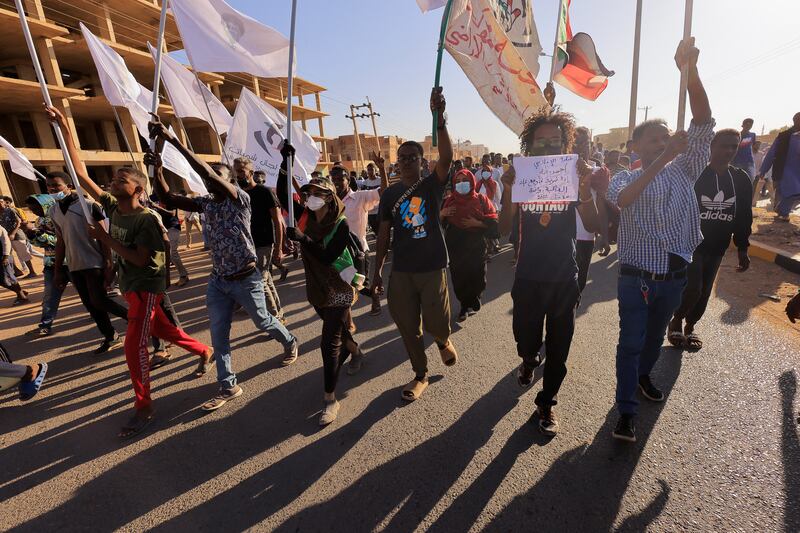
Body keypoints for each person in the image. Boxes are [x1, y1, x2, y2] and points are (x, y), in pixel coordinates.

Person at [47, 105, 213, 438]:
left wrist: (106, 240)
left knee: (134, 345)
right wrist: (64, 128)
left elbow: (141, 260)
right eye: (114, 179)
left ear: (138, 190)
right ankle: (204, 350)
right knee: (167, 332)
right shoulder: (111, 205)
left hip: (146, 287)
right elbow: (81, 175)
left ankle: (144, 406)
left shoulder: (147, 220)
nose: (113, 182)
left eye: (122, 179)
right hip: (129, 286)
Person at [147, 118, 299, 413]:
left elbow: (205, 171)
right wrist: (157, 168)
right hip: (219, 281)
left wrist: (173, 140)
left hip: (246, 278)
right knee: (219, 335)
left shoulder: (239, 198)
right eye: (210, 177)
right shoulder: (206, 204)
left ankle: (290, 341)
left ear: (228, 180)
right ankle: (228, 385)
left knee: (264, 321)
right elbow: (166, 196)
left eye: (217, 175)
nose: (209, 179)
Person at [606, 38, 714, 443]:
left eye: (666, 136)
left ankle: (643, 378)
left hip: (674, 277)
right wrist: (664, 157)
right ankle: (626, 412)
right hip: (636, 280)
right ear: (634, 146)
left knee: (652, 341)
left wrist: (689, 73)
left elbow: (703, 121)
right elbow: (623, 201)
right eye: (652, 139)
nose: (661, 142)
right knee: (630, 343)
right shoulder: (623, 177)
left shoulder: (685, 168)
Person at [498, 110, 600, 436]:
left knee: (559, 348)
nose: (547, 148)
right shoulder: (522, 178)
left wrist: (583, 187)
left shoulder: (572, 177)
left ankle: (547, 402)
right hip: (528, 277)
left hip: (563, 278)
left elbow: (595, 225)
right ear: (528, 146)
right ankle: (529, 359)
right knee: (526, 340)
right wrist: (509, 193)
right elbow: (502, 231)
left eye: (554, 142)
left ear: (564, 145)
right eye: (539, 143)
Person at [372, 87, 458, 402]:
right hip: (402, 270)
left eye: (412, 157)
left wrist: (439, 119)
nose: (406, 161)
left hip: (432, 265)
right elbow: (383, 234)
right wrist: (377, 269)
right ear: (397, 163)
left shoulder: (432, 184)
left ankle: (443, 339)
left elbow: (447, 157)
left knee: (437, 320)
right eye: (402, 158)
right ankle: (420, 375)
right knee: (407, 326)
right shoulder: (390, 195)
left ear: (422, 161)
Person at [285, 175, 365, 425]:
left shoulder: (339, 224)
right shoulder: (305, 218)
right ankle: (356, 351)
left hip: (339, 289)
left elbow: (328, 256)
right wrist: (285, 159)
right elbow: (282, 191)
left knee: (329, 343)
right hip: (317, 290)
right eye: (309, 194)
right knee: (339, 330)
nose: (311, 198)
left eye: (318, 194)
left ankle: (330, 398)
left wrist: (303, 239)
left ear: (330, 198)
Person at [667, 129, 752, 350]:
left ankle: (691, 325)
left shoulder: (740, 179)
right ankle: (676, 320)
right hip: (690, 243)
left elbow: (743, 214)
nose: (729, 151)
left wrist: (743, 247)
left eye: (734, 146)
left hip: (718, 245)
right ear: (712, 145)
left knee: (704, 292)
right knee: (693, 288)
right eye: (724, 145)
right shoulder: (695, 173)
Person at [45, 171, 129, 354]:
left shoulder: (88, 206)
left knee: (99, 300)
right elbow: (61, 241)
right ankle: (110, 336)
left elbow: (103, 236)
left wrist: (108, 262)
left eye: (56, 185)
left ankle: (134, 319)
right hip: (74, 265)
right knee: (90, 305)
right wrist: (58, 269)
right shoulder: (53, 210)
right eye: (48, 186)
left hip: (93, 261)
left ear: (68, 185)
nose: (52, 189)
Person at [330, 161, 387, 316]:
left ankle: (375, 299)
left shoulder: (360, 197)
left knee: (362, 285)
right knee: (342, 286)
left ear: (348, 180)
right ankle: (346, 319)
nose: (336, 183)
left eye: (340, 179)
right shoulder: (330, 203)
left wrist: (381, 169)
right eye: (333, 179)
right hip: (339, 254)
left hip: (359, 252)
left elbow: (384, 190)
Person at [440, 168, 498, 322]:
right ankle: (464, 306)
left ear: (472, 181)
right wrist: (442, 214)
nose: (461, 184)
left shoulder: (481, 199)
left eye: (465, 181)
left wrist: (478, 223)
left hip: (476, 244)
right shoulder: (449, 200)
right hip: (455, 245)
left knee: (479, 275)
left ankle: (476, 296)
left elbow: (494, 222)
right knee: (460, 278)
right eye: (458, 182)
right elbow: (437, 225)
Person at [233, 157, 285, 322]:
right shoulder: (238, 194)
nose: (238, 174)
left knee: (259, 283)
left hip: (263, 244)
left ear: (251, 172)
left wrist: (278, 247)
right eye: (236, 170)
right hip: (246, 245)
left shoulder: (265, 192)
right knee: (266, 280)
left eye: (241, 170)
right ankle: (279, 314)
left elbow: (278, 221)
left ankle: (275, 319)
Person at [24, 194, 62, 335]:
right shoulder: (39, 220)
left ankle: (99, 315)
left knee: (87, 294)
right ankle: (45, 325)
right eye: (31, 209)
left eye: (36, 208)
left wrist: (37, 233)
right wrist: (31, 234)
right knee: (49, 296)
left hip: (68, 261)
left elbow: (59, 240)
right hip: (50, 263)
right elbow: (40, 244)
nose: (34, 211)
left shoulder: (59, 217)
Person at [754, 112, 800, 222]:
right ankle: (783, 212)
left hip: (798, 170)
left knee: (794, 192)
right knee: (792, 191)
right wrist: (763, 170)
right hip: (785, 170)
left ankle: (782, 210)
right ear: (795, 121)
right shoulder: (783, 136)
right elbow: (771, 154)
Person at [150, 198, 189, 287]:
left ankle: (184, 276)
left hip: (173, 227)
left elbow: (172, 213)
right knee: (164, 254)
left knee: (173, 253)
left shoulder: (169, 198)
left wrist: (157, 207)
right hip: (164, 229)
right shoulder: (153, 197)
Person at [0, 196, 36, 278]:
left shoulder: (10, 210)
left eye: (1, 202)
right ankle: (17, 271)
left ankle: (32, 272)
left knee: (24, 254)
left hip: (17, 236)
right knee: (8, 254)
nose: (0, 204)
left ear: (5, 202)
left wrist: (13, 233)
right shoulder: (0, 213)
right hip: (6, 238)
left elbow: (18, 222)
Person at [0, 222, 28, 304]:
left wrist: (5, 257)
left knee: (7, 278)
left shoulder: (0, 229)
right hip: (3, 257)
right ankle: (21, 292)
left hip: (4, 257)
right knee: (6, 278)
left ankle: (22, 296)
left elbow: (6, 242)